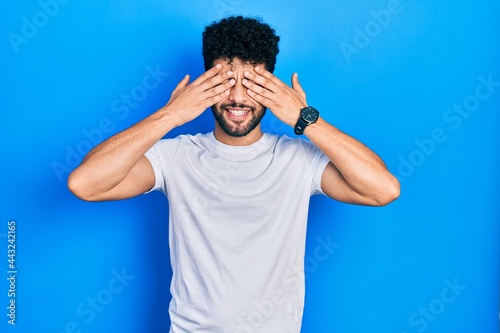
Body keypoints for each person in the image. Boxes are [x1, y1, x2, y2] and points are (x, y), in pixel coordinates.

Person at [68, 15, 400, 333]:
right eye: (226, 82)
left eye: (252, 83)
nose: (238, 97)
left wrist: (305, 118)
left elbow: (383, 190)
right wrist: (170, 115)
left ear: (273, 86)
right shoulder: (176, 156)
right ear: (204, 83)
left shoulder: (298, 160)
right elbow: (85, 183)